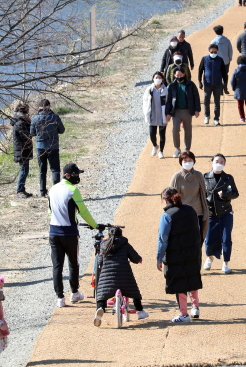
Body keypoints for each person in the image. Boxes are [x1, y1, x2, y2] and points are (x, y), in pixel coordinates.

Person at [48, 163, 98, 308]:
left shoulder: (52, 189)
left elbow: (50, 212)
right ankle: (75, 293)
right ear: (68, 175)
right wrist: (95, 225)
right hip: (70, 233)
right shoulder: (73, 190)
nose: (78, 177)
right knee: (73, 263)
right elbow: (83, 211)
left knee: (57, 266)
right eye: (76, 175)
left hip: (54, 232)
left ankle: (60, 298)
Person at [157, 187, 203, 323]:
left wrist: (159, 258)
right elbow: (198, 229)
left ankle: (183, 314)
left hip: (176, 254)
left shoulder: (167, 216)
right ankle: (195, 307)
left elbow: (163, 239)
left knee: (180, 283)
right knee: (192, 277)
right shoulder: (191, 210)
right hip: (193, 251)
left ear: (166, 200)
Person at [93, 227, 148, 327]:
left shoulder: (104, 244)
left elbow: (100, 261)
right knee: (133, 289)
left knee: (102, 293)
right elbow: (135, 257)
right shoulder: (125, 244)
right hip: (124, 274)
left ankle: (100, 308)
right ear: (121, 234)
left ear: (109, 235)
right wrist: (139, 260)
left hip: (108, 276)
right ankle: (140, 311)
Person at [203, 154, 239, 274]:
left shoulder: (228, 178)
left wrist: (225, 194)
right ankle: (209, 257)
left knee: (226, 238)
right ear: (212, 162)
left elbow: (235, 193)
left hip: (225, 213)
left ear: (224, 164)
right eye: (217, 161)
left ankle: (225, 263)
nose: (219, 163)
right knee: (209, 239)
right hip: (211, 213)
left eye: (222, 162)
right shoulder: (204, 177)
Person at [169, 151, 209, 241]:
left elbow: (203, 193)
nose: (188, 162)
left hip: (198, 213)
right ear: (181, 162)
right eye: (185, 160)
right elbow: (171, 197)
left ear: (194, 161)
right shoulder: (177, 177)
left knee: (198, 241)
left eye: (190, 160)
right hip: (183, 215)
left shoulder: (199, 175)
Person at [30, 99, 65, 197]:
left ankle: (42, 191)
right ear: (49, 106)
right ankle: (56, 191)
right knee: (55, 170)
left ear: (39, 107)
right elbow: (62, 130)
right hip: (53, 146)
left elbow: (32, 133)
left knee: (42, 170)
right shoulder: (55, 117)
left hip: (40, 147)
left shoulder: (35, 119)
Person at [166, 67, 201, 156]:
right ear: (174, 75)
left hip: (187, 111)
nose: (179, 76)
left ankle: (187, 150)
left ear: (184, 74)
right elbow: (169, 100)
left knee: (188, 130)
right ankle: (177, 148)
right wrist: (168, 113)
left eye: (181, 75)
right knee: (175, 129)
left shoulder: (190, 84)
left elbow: (196, 97)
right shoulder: (172, 86)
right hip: (176, 111)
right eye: (177, 75)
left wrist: (197, 109)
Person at [198, 44, 227, 126]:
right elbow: (200, 71)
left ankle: (216, 119)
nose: (213, 53)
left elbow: (224, 72)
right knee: (206, 101)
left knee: (217, 102)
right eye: (212, 52)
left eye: (215, 52)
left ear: (217, 52)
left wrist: (225, 83)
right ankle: (207, 116)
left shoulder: (220, 60)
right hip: (207, 84)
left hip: (217, 84)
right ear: (209, 51)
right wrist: (199, 82)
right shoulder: (204, 59)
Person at [142, 71, 169, 159]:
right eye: (156, 78)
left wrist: (168, 113)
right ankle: (155, 146)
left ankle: (161, 151)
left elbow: (169, 102)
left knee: (162, 134)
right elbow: (145, 102)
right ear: (153, 79)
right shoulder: (149, 90)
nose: (158, 79)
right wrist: (146, 112)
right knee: (152, 134)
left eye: (159, 78)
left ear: (162, 80)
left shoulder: (165, 90)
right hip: (152, 115)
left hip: (162, 116)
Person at [11, 103, 33, 199]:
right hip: (21, 150)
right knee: (24, 170)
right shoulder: (20, 123)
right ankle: (19, 191)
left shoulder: (20, 121)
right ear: (25, 111)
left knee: (25, 170)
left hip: (22, 150)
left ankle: (22, 190)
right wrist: (31, 133)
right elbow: (25, 137)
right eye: (28, 109)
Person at [211, 25, 233, 92]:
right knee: (225, 74)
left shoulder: (213, 41)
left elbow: (211, 52)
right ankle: (225, 88)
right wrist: (229, 59)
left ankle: (220, 90)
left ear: (215, 32)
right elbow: (230, 51)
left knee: (218, 75)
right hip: (226, 61)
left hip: (217, 61)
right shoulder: (227, 41)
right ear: (222, 31)